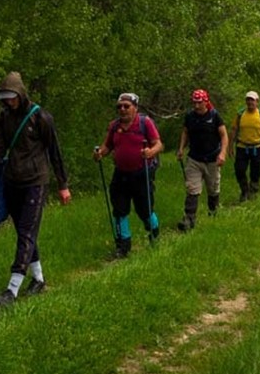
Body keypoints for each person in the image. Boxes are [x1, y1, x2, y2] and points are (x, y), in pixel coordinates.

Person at [0, 71, 71, 305]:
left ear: (21, 94)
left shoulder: (40, 117)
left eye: (12, 97)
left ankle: (12, 290)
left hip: (36, 182)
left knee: (27, 232)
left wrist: (63, 185)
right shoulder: (3, 117)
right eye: (5, 97)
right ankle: (38, 280)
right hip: (12, 181)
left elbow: (55, 152)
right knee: (23, 232)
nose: (9, 102)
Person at [94, 93, 163, 256]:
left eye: (126, 106)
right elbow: (107, 146)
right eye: (119, 107)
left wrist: (150, 152)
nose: (122, 109)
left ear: (135, 108)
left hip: (142, 173)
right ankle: (123, 246)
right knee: (119, 210)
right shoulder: (114, 126)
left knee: (144, 210)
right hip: (121, 175)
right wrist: (99, 154)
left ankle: (154, 233)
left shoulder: (145, 123)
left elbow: (159, 144)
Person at [176, 89, 227, 231]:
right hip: (194, 159)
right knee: (192, 188)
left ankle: (213, 211)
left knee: (213, 189)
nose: (197, 105)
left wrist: (222, 153)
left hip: (212, 159)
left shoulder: (214, 116)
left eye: (199, 102)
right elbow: (185, 132)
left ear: (206, 102)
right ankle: (189, 219)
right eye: (194, 102)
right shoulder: (190, 117)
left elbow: (224, 135)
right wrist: (181, 148)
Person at [229, 91, 260, 200]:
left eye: (252, 100)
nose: (250, 102)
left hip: (257, 147)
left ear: (257, 101)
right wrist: (230, 147)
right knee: (239, 170)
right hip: (241, 147)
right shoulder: (240, 114)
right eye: (248, 99)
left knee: (256, 171)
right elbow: (234, 130)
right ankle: (244, 190)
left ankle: (253, 190)